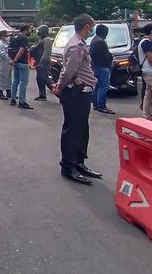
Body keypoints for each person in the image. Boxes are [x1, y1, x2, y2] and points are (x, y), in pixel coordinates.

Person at [53, 14, 101, 185]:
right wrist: (59, 87)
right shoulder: (76, 46)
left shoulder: (79, 44)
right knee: (73, 129)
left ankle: (79, 162)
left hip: (82, 92)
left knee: (82, 128)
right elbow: (68, 71)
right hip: (75, 92)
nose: (92, 30)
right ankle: (68, 165)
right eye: (92, 26)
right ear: (87, 27)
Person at [90, 24, 116, 114]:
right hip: (102, 66)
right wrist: (109, 60)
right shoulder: (100, 42)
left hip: (95, 66)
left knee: (97, 86)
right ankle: (102, 106)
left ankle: (96, 104)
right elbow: (103, 55)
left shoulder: (94, 40)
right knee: (103, 86)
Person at [8, 24, 32, 109]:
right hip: (22, 62)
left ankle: (13, 99)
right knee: (23, 82)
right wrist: (15, 59)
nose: (30, 31)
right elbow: (21, 50)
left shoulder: (15, 37)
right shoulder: (24, 38)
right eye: (29, 29)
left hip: (16, 63)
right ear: (25, 30)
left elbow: (9, 49)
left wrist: (13, 60)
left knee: (15, 81)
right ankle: (22, 101)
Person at [33, 25, 54, 101]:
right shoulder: (42, 40)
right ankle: (42, 94)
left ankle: (60, 94)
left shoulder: (47, 40)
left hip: (44, 63)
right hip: (39, 62)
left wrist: (41, 62)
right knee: (39, 79)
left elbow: (46, 53)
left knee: (46, 79)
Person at [0, 30, 12, 100]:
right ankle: (0, 93)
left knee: (9, 79)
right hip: (3, 63)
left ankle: (9, 92)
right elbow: (3, 54)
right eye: (6, 36)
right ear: (2, 36)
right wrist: (10, 60)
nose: (7, 37)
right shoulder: (0, 44)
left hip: (9, 63)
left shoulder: (7, 43)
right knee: (2, 78)